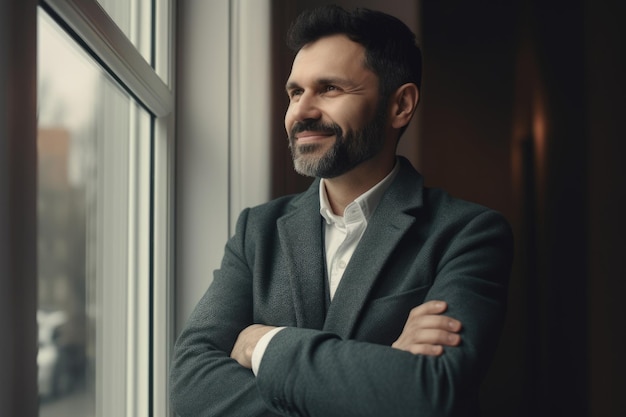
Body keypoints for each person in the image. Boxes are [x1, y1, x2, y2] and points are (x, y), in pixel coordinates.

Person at [170, 5, 513, 417]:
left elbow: (428, 396)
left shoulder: (468, 234)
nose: (302, 111)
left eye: (329, 89)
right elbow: (190, 387)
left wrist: (263, 344)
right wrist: (379, 369)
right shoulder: (255, 231)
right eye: (295, 92)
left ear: (400, 105)